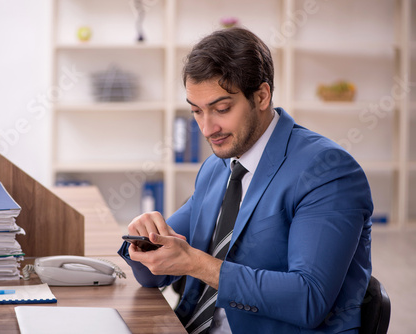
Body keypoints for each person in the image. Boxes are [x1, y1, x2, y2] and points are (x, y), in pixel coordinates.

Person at [118, 27, 373, 334]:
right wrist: (144, 241)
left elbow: (308, 299)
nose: (207, 128)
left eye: (221, 109)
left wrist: (196, 264)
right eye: (196, 112)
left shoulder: (328, 171)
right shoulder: (217, 167)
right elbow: (155, 275)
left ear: (262, 96)